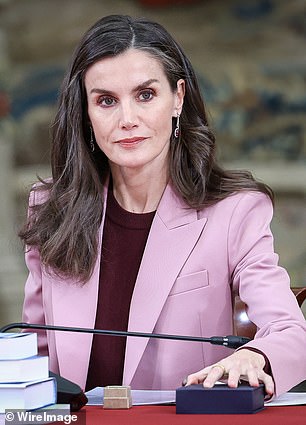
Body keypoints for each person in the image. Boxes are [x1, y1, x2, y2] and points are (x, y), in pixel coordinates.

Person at [20, 14, 306, 398]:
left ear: (178, 98)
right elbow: (31, 358)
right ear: (86, 114)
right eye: (106, 101)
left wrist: (254, 356)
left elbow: (289, 332)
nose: (127, 119)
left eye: (145, 95)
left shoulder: (236, 211)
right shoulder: (50, 208)